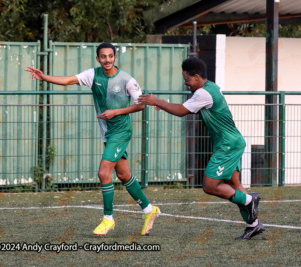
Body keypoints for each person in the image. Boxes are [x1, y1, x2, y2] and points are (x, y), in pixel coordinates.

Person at [25, 42, 160, 236]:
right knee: (123, 175)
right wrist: (43, 76)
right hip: (108, 132)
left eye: (110, 56)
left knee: (104, 173)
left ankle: (108, 219)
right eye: (103, 56)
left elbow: (140, 105)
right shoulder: (92, 75)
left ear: (115, 57)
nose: (107, 60)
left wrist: (116, 112)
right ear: (98, 58)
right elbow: (67, 81)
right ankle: (149, 210)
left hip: (121, 131)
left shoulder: (127, 80)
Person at [138, 57, 264, 240]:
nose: (186, 84)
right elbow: (184, 107)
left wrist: (156, 101)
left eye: (186, 80)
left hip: (227, 144)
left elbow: (181, 111)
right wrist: (164, 105)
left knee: (210, 185)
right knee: (234, 185)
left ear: (197, 77)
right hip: (232, 142)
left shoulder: (203, 94)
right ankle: (253, 225)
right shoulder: (210, 87)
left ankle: (250, 200)